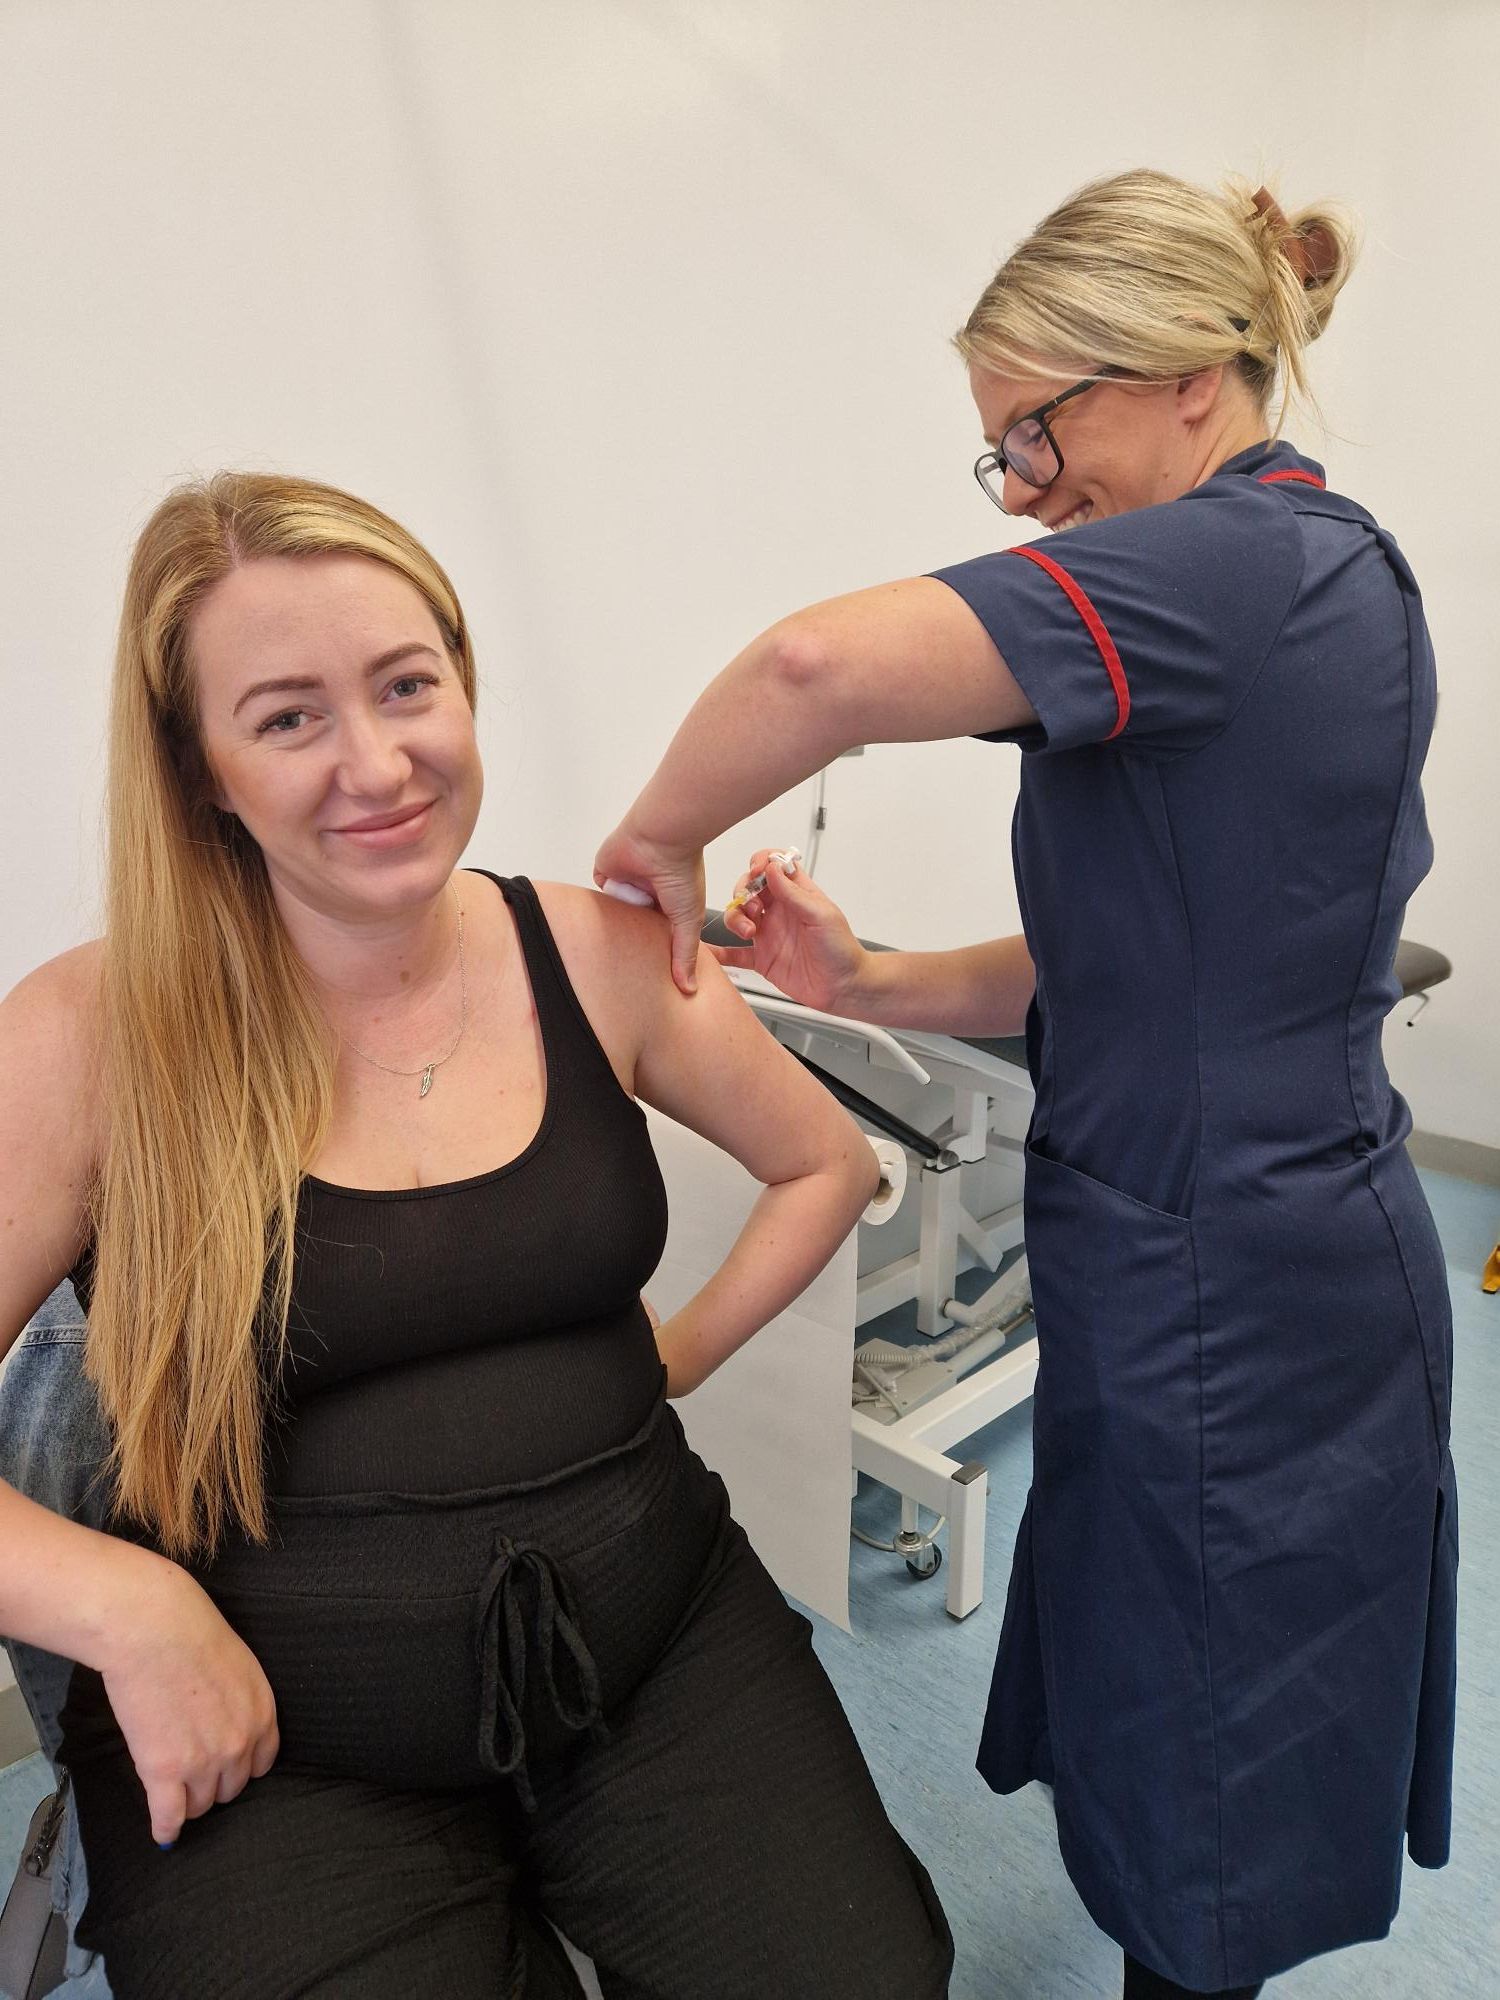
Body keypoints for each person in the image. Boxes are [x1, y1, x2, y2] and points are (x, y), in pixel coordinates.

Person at [594, 170, 1456, 1998]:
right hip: (1217, 1242)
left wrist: (657, 843)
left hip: (1246, 1277)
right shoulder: (1299, 583)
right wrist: (872, 980)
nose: (1027, 490)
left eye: (1035, 435)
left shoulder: (1239, 566)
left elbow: (812, 663)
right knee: (1176, 1693)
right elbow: (1140, 958)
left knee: (1217, 1754)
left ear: (1192, 381)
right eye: (1001, 455)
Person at [0, 473, 955, 2000]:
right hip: (284, 1741)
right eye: (289, 716)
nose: (376, 764)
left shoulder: (593, 949)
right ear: (202, 775)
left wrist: (673, 1354)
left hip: (651, 1649)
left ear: (463, 686)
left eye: (406, 686)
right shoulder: (89, 1038)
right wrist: (127, 1609)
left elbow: (827, 1165)